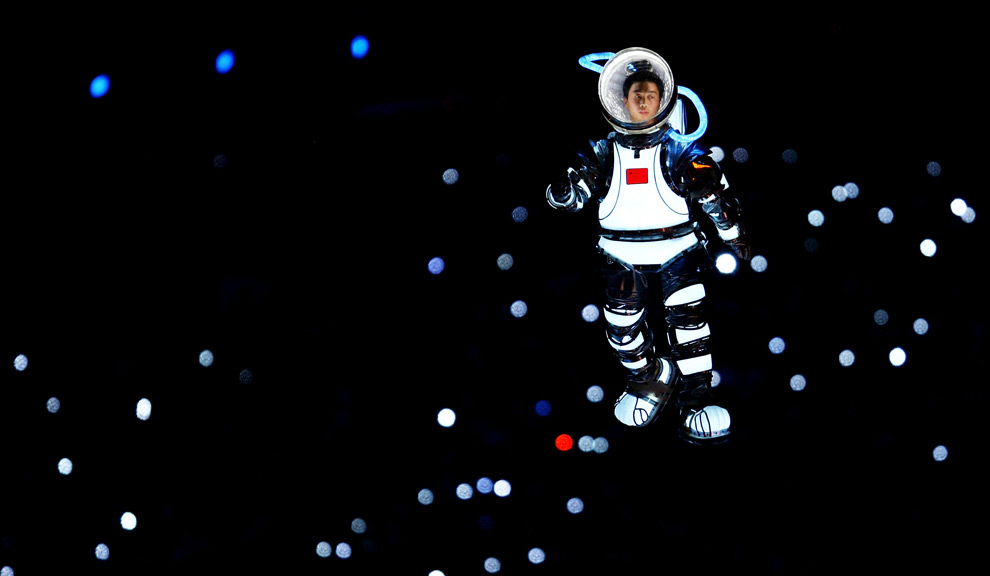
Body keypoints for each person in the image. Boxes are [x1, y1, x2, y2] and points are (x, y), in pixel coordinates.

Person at [546, 47, 750, 445]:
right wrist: (564, 194)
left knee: (690, 327)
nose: (643, 102)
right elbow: (578, 189)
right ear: (622, 101)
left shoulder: (680, 152)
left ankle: (697, 400)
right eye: (636, 94)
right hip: (621, 255)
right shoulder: (605, 153)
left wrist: (732, 232)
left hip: (679, 249)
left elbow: (714, 195)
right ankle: (648, 376)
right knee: (621, 330)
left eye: (650, 95)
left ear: (664, 102)